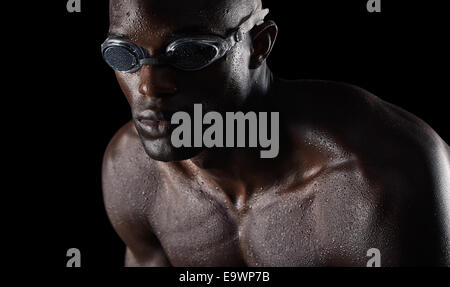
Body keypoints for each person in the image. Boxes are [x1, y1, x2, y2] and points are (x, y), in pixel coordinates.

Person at [101, 0, 450, 266]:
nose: (150, 86)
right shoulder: (132, 171)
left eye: (191, 52)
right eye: (123, 55)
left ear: (258, 44)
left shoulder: (380, 177)